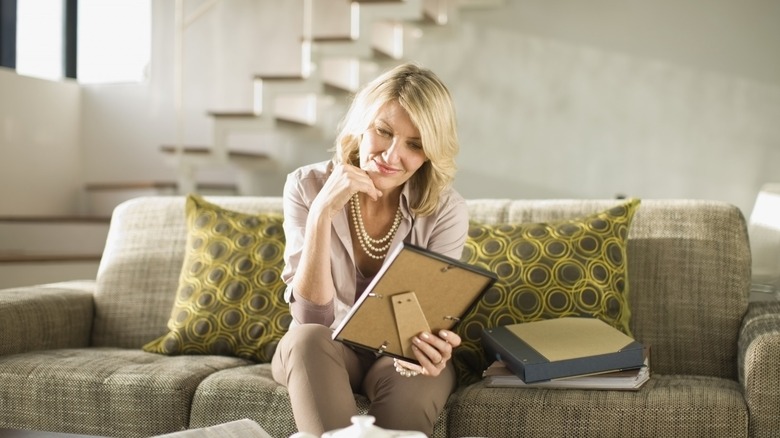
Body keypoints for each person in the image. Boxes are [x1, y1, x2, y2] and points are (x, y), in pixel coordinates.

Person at [271, 62, 469, 436]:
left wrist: (430, 345)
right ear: (361, 124)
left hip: (398, 355)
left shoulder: (446, 210)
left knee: (423, 374)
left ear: (430, 153)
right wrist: (321, 214)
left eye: (414, 145)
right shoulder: (306, 186)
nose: (391, 156)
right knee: (307, 339)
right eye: (383, 131)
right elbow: (311, 317)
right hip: (322, 348)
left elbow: (427, 319)